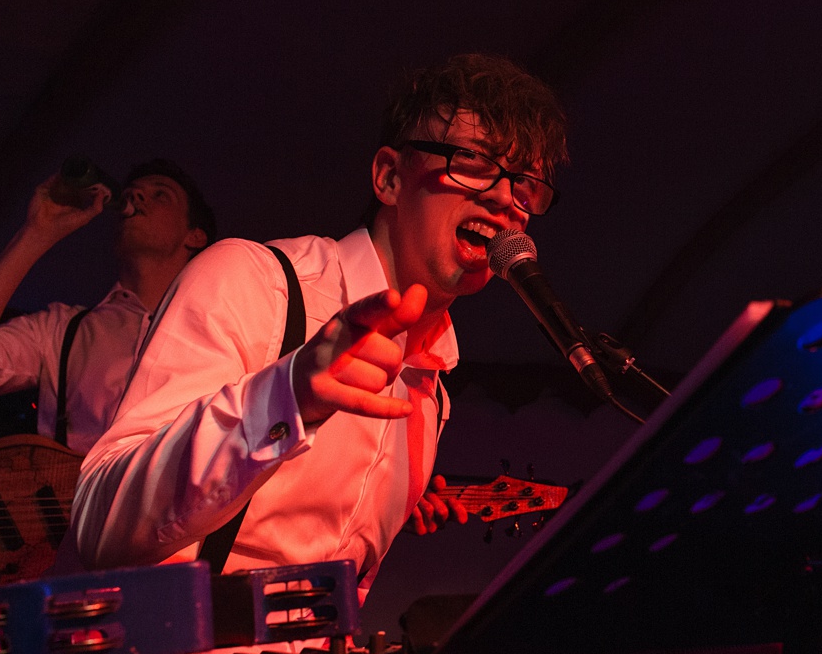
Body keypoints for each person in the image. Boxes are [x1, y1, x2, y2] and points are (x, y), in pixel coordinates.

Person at [57, 54, 568, 600]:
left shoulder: (431, 391)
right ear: (390, 177)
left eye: (525, 183)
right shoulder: (253, 283)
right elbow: (100, 523)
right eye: (470, 161)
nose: (500, 196)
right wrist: (285, 396)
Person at [0, 160, 217, 454]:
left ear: (196, 235)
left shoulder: (220, 331)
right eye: (132, 192)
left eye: (160, 194)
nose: (136, 197)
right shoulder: (62, 329)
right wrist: (37, 232)